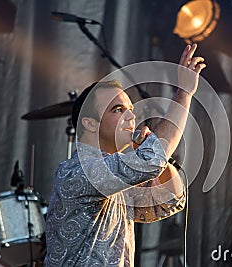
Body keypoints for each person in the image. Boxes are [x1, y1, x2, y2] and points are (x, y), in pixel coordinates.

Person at [44, 44, 205, 266]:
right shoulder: (78, 172)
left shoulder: (116, 180)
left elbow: (168, 202)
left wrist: (159, 158)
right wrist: (183, 95)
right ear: (90, 123)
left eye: (130, 108)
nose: (131, 116)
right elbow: (152, 159)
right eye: (118, 109)